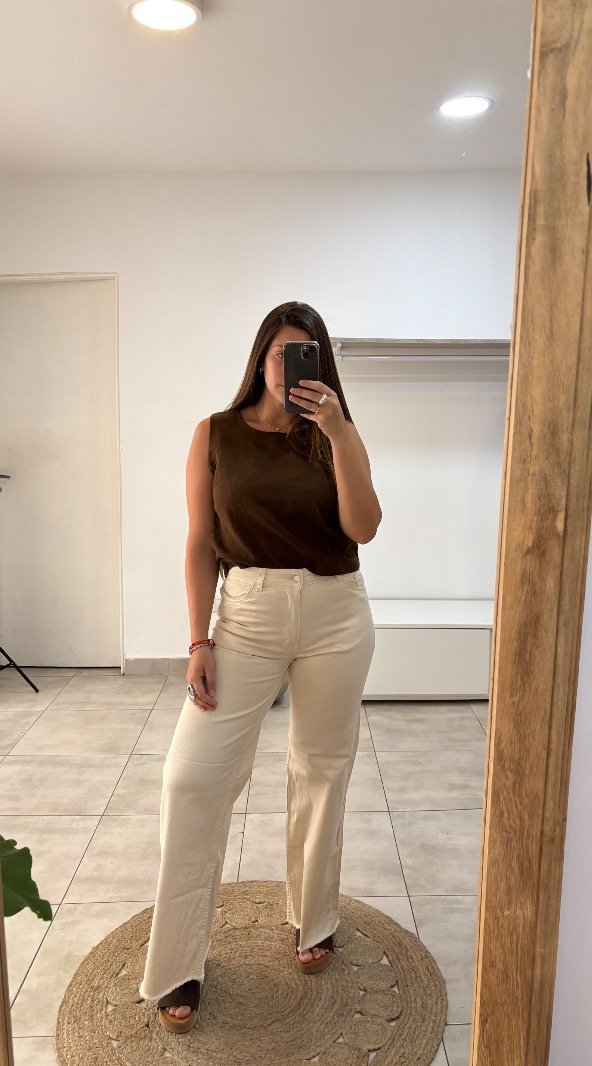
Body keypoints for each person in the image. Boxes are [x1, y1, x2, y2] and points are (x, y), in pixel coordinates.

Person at [139, 300, 382, 1033]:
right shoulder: (215, 434)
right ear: (260, 358)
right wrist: (197, 641)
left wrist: (338, 431)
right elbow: (199, 541)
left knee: (321, 766)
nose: (291, 367)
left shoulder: (335, 433)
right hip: (245, 614)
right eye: (282, 353)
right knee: (191, 778)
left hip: (335, 612)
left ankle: (314, 916)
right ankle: (177, 961)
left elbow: (364, 527)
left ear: (322, 363)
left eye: (307, 353)